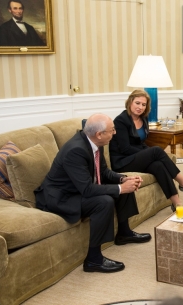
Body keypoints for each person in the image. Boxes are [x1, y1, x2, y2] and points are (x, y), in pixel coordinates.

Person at [34, 113, 151, 274]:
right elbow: (87, 189)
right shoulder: (76, 150)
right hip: (61, 197)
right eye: (112, 130)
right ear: (99, 134)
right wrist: (120, 188)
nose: (115, 133)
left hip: (78, 189)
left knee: (124, 184)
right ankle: (93, 260)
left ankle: (124, 233)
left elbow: (103, 172)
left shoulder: (95, 142)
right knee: (104, 201)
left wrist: (123, 179)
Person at [109, 90, 183, 211]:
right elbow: (125, 148)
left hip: (135, 157)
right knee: (156, 151)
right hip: (122, 161)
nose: (140, 107)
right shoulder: (120, 121)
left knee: (158, 165)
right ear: (130, 102)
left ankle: (177, 203)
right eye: (137, 103)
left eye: (143, 105)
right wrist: (147, 154)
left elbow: (141, 143)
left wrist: (147, 154)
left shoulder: (143, 118)